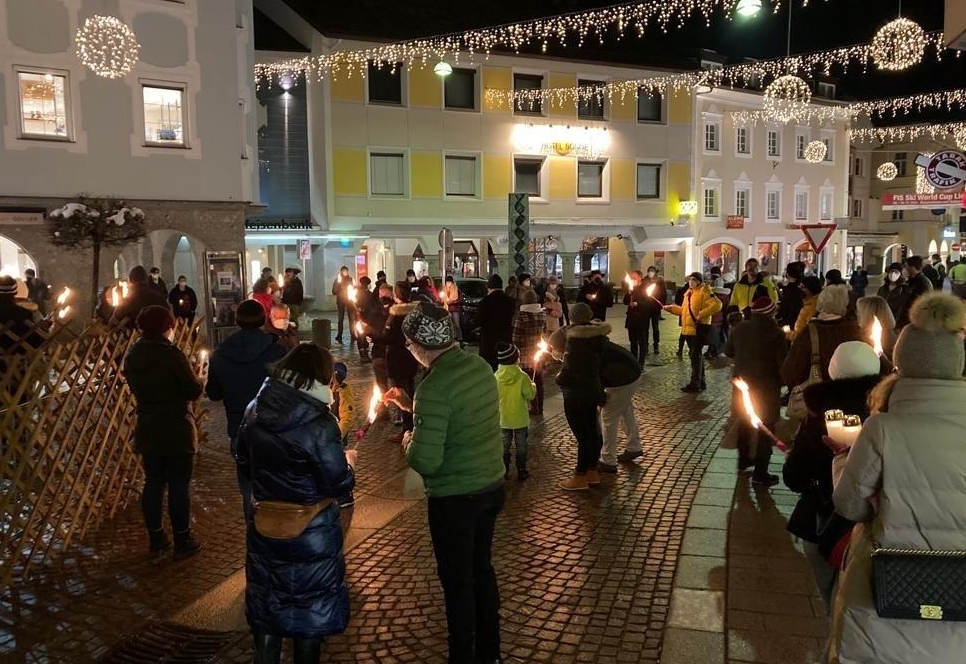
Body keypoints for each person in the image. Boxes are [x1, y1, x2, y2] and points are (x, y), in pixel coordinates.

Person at [827, 293, 966, 664]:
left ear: (901, 363)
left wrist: (842, 460)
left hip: (886, 594)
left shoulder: (883, 428)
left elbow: (849, 503)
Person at [382, 302, 506, 664]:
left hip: (456, 499)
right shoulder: (480, 367)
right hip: (490, 485)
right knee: (482, 569)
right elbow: (462, 415)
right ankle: (490, 651)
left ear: (419, 346)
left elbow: (426, 460)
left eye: (409, 345)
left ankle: (462, 654)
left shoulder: (433, 387)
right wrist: (414, 408)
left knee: (457, 582)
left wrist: (409, 439)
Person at [235, 343, 355, 664]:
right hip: (312, 533)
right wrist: (349, 462)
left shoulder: (254, 409)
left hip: (266, 527)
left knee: (268, 601)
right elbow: (339, 482)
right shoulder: (320, 423)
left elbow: (243, 459)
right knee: (309, 614)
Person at [782, 341, 882, 611]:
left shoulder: (820, 417)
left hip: (827, 521)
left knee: (834, 598)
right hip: (881, 522)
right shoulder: (887, 412)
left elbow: (795, 478)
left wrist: (796, 454)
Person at [122, 305, 203, 557]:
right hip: (176, 425)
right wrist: (198, 379)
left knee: (153, 483)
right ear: (166, 327)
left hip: (148, 424)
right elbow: (192, 390)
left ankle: (156, 537)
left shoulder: (133, 354)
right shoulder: (172, 355)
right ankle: (182, 540)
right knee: (179, 484)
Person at [206, 300, 287, 516]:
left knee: (249, 490)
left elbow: (213, 393)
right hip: (274, 429)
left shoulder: (221, 354)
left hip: (240, 431)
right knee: (278, 489)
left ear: (237, 321)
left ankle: (255, 535)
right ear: (263, 319)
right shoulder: (277, 350)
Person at [724, 297, 787, 487]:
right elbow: (782, 363)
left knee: (744, 422)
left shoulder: (739, 329)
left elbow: (728, 352)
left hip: (741, 386)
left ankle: (743, 460)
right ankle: (761, 472)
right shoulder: (776, 333)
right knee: (766, 427)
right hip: (766, 389)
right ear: (771, 313)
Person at [549, 302, 609, 491]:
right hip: (593, 388)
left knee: (582, 436)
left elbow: (553, 339)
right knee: (592, 431)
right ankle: (592, 472)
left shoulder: (570, 335)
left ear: (572, 318)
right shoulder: (598, 335)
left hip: (575, 392)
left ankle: (579, 477)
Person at [782, 285, 863, 387]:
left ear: (820, 302)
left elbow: (790, 374)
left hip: (817, 395)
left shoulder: (809, 333)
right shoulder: (855, 330)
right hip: (850, 394)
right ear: (845, 303)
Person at [664, 272, 723, 393]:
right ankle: (700, 381)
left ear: (699, 281)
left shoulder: (704, 291)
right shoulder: (689, 293)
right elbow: (684, 311)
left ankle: (695, 383)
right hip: (688, 330)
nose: (690, 282)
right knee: (695, 355)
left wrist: (701, 314)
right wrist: (671, 309)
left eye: (693, 280)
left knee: (695, 356)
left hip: (698, 329)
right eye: (689, 279)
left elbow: (717, 305)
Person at [598, 337, 643, 472]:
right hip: (631, 374)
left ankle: (608, 460)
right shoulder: (593, 340)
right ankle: (634, 447)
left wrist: (599, 396)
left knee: (608, 417)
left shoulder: (584, 350)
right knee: (625, 410)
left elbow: (593, 375)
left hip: (622, 379)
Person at [495, 342, 536, 480]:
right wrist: (533, 386)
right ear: (515, 359)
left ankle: (504, 470)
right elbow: (530, 395)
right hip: (520, 419)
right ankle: (521, 469)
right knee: (522, 445)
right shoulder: (523, 376)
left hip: (503, 418)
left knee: (504, 446)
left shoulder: (495, 377)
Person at [384, 283, 419, 441]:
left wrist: (370, 332)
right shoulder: (414, 313)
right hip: (410, 359)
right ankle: (411, 425)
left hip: (398, 360)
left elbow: (390, 337)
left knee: (401, 394)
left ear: (396, 295)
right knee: (410, 391)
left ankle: (407, 429)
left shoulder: (397, 314)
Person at [512, 289, 546, 415]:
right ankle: (540, 407)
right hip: (538, 354)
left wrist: (516, 352)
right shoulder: (542, 314)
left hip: (525, 355)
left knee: (526, 381)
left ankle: (532, 406)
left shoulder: (522, 315)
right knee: (538, 380)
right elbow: (544, 333)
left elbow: (516, 337)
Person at [476, 274, 516, 371]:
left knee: (489, 370)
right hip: (505, 340)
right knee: (505, 367)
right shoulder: (510, 301)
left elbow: (478, 321)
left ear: (489, 288)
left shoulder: (485, 302)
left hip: (488, 342)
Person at [855, 295, 898, 363]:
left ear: (867, 314)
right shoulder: (891, 335)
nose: (857, 314)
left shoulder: (876, 340)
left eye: (859, 311)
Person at [897, 255, 933, 328]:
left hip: (914, 321)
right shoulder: (911, 281)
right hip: (907, 319)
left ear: (912, 267)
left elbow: (921, 304)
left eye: (906, 266)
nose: (904, 269)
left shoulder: (923, 283)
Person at [639, 266, 666, 357]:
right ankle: (645, 346)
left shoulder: (659, 281)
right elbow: (641, 293)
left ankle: (656, 346)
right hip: (646, 308)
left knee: (655, 327)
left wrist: (660, 305)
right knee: (645, 328)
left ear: (655, 272)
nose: (650, 272)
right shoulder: (644, 281)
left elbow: (663, 293)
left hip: (655, 308)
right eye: (649, 271)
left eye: (652, 271)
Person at [623, 270, 649, 364]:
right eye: (631, 278)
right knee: (632, 341)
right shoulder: (632, 288)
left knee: (641, 341)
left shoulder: (645, 288)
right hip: (631, 319)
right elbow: (625, 301)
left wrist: (638, 304)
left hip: (641, 319)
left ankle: (641, 362)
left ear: (640, 277)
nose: (632, 279)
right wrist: (629, 293)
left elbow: (649, 303)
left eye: (634, 277)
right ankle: (633, 361)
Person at [876, 262, 909, 328]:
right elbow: (878, 303)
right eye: (891, 271)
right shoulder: (882, 289)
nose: (893, 274)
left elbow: (903, 306)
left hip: (897, 322)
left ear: (901, 274)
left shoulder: (905, 289)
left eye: (896, 272)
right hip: (882, 320)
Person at [778, 262, 806, 328]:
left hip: (789, 324)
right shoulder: (804, 288)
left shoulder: (790, 290)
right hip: (800, 323)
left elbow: (785, 308)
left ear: (788, 274)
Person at [331, 266, 354, 344]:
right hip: (341, 301)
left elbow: (354, 289)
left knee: (351, 319)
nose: (344, 272)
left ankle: (353, 334)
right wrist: (339, 287)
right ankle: (339, 335)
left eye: (346, 271)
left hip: (349, 301)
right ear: (341, 272)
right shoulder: (338, 280)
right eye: (343, 271)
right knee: (340, 319)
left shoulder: (350, 279)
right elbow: (333, 291)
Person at [441, 275, 462, 343]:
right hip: (447, 309)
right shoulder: (444, 289)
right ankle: (451, 338)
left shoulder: (456, 289)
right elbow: (442, 298)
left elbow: (460, 299)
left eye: (449, 282)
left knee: (457, 324)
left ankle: (460, 338)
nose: (448, 283)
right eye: (447, 282)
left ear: (452, 282)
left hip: (455, 309)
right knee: (449, 325)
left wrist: (452, 302)